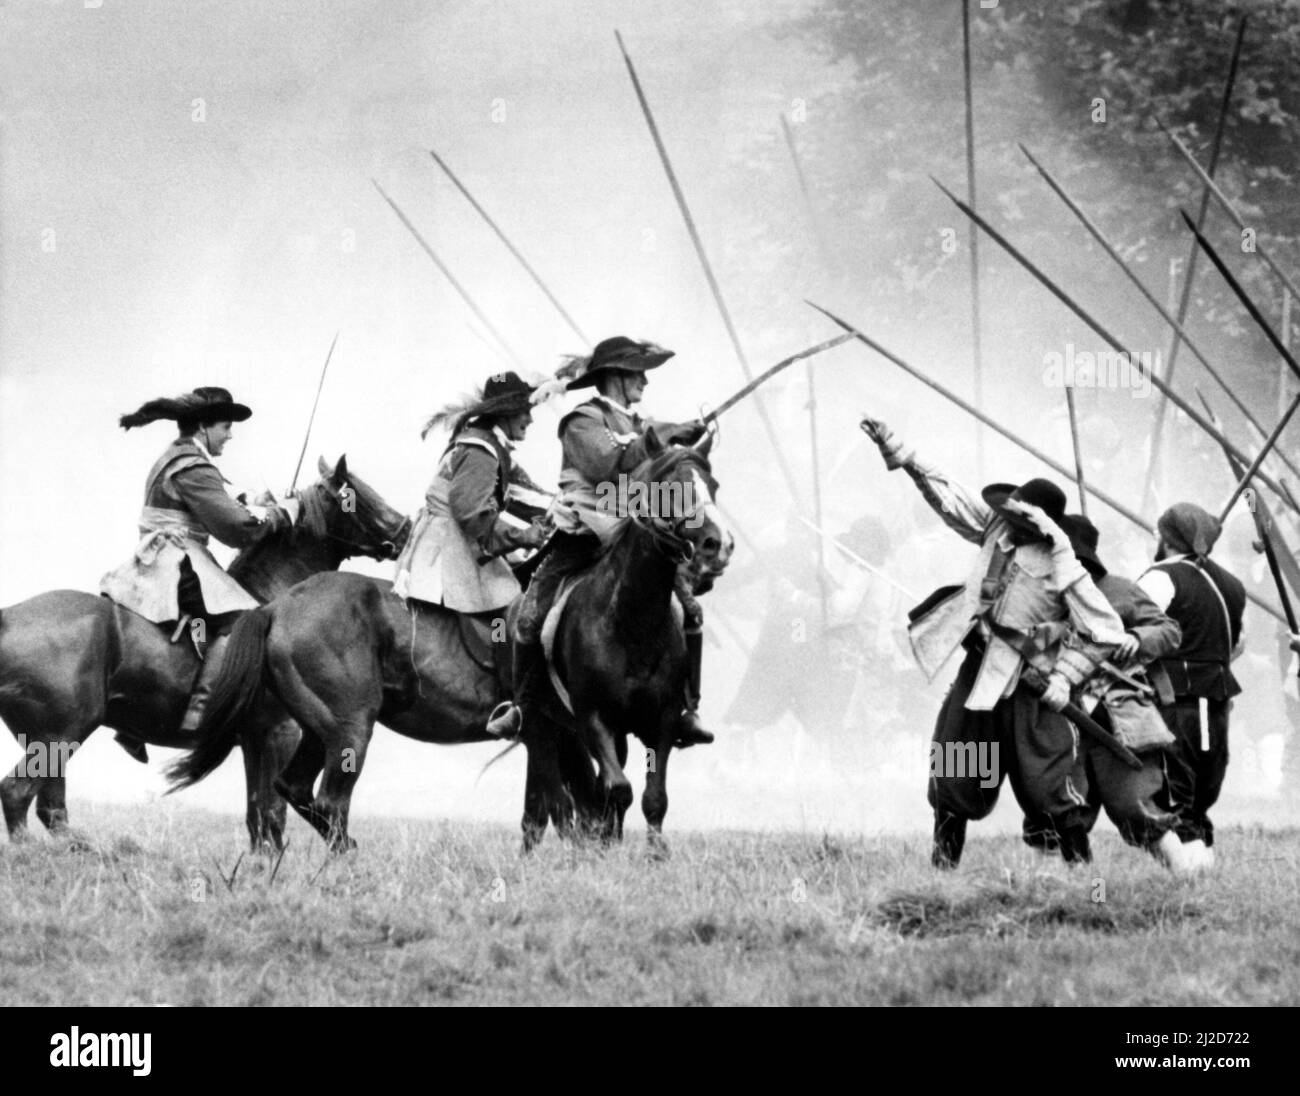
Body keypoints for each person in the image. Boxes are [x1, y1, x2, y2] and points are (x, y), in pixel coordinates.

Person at [861, 417, 1126, 868]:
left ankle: (1084, 880)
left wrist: (1065, 676)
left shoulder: (1066, 565)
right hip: (979, 680)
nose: (1009, 524)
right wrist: (903, 455)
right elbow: (950, 498)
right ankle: (941, 875)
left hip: (1032, 691)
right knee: (955, 776)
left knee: (1049, 791)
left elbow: (1106, 631)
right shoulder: (996, 531)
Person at [485, 336, 712, 746]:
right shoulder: (580, 422)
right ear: (615, 378)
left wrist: (682, 442)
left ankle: (685, 710)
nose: (645, 381)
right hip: (581, 536)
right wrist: (667, 435)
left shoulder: (642, 425)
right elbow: (612, 467)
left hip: (632, 538)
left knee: (690, 612)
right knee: (529, 619)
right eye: (637, 373)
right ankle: (522, 708)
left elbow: (654, 470)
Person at [100, 387, 296, 752]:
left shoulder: (178, 456)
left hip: (164, 555)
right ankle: (200, 711)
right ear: (204, 427)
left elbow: (219, 494)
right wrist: (278, 516)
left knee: (198, 627)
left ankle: (134, 719)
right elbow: (236, 529)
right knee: (241, 622)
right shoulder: (193, 465)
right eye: (225, 426)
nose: (230, 434)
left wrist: (255, 499)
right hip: (176, 559)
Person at [1026, 515, 1200, 873]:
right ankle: (1053, 892)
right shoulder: (1040, 598)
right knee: (1056, 812)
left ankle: (1188, 885)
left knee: (1138, 808)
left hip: (1119, 717)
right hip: (1062, 722)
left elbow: (1168, 632)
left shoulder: (1120, 591)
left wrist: (1136, 639)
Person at [1137, 502, 1246, 869]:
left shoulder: (1160, 577)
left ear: (1167, 538)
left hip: (1176, 698)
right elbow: (1237, 643)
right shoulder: (1232, 584)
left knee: (1176, 790)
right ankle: (1199, 873)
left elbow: (1136, 630)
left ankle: (1189, 879)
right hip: (1215, 699)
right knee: (1199, 792)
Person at [392, 371, 549, 616]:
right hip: (450, 550)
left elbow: (529, 497)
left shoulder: (486, 446)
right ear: (505, 413)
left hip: (452, 542)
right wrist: (523, 536)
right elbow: (473, 515)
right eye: (524, 411)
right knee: (511, 613)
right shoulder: (480, 451)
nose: (530, 419)